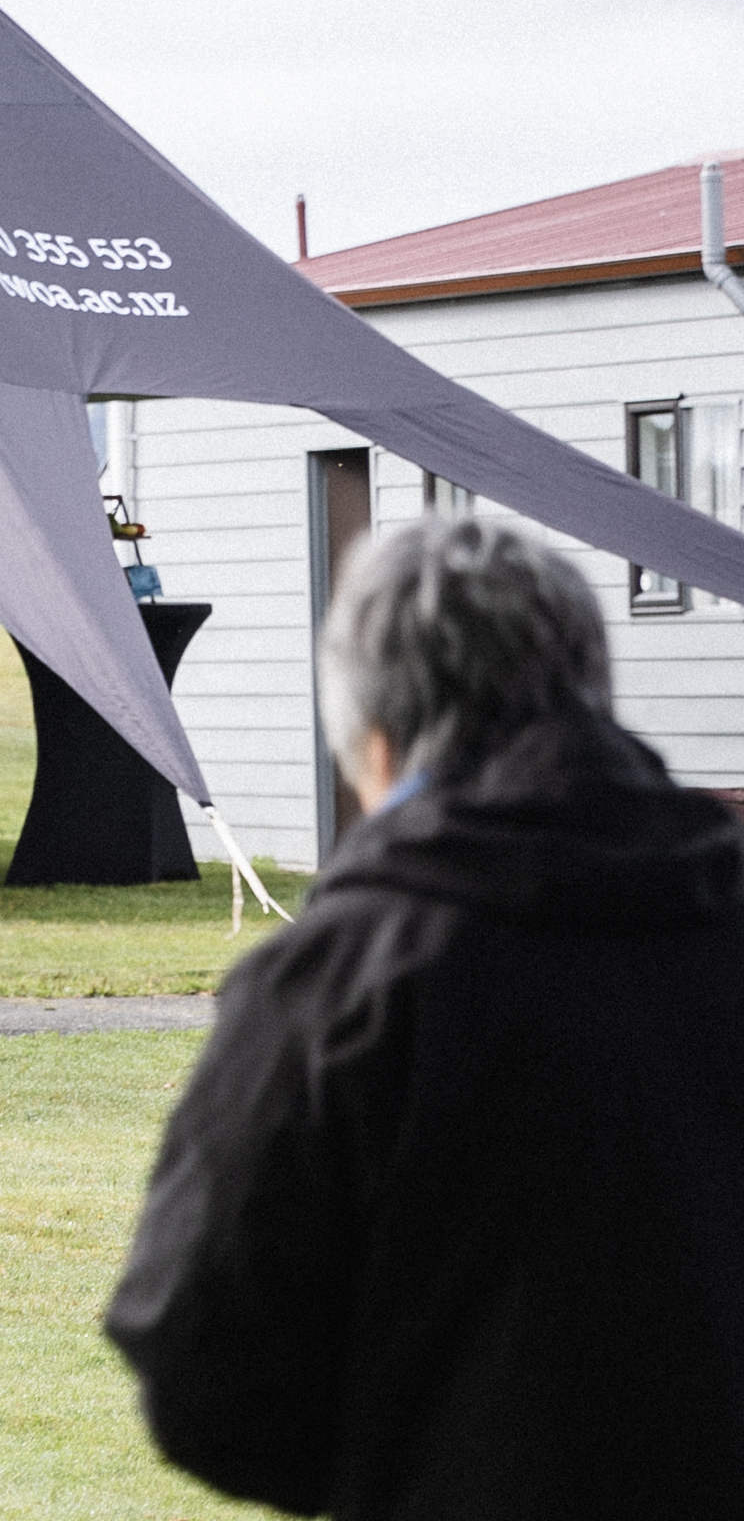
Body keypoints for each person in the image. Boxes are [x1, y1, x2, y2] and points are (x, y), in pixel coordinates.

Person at [107, 516, 744, 1515]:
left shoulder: (341, 983)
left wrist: (421, 1455)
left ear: (375, 734)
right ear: (590, 690)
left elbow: (198, 1356)